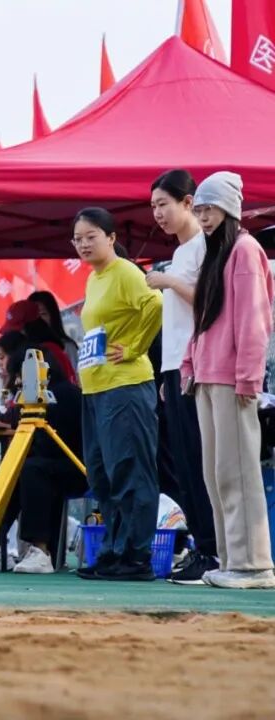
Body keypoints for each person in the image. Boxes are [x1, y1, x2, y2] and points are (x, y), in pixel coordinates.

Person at [181, 172, 275, 589]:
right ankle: (232, 560)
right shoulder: (217, 253)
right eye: (199, 209)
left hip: (233, 380)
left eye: (210, 209)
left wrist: (248, 378)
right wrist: (190, 364)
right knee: (216, 474)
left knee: (236, 471)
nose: (203, 217)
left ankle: (253, 565)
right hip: (209, 376)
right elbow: (203, 317)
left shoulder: (245, 249)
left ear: (229, 210)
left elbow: (254, 320)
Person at [72, 207, 163, 581]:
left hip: (125, 385)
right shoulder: (94, 279)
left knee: (130, 471)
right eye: (77, 239)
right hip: (96, 388)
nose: (83, 244)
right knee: (102, 475)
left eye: (91, 236)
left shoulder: (125, 272)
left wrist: (135, 347)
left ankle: (136, 556)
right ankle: (113, 550)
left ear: (111, 238)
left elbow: (155, 304)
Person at [144, 169, 219, 585]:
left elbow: (209, 301)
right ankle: (202, 547)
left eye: (163, 204)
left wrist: (168, 281)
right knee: (183, 465)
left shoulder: (205, 247)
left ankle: (212, 550)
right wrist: (166, 372)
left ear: (188, 203)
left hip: (198, 367)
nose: (158, 214)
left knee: (199, 461)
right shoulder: (180, 252)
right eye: (153, 206)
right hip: (174, 368)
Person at [0, 345, 86, 573]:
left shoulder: (63, 395)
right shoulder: (31, 399)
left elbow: (54, 444)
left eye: (19, 376)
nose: (17, 382)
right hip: (49, 463)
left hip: (76, 467)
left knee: (31, 470)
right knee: (11, 473)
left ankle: (40, 550)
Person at [0, 300, 77, 384]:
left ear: (31, 327)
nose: (11, 337)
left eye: (16, 331)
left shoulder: (46, 352)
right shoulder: (48, 349)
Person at [27, 290, 81, 371]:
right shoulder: (25, 352)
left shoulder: (67, 347)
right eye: (34, 316)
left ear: (53, 316)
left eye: (43, 314)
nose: (38, 320)